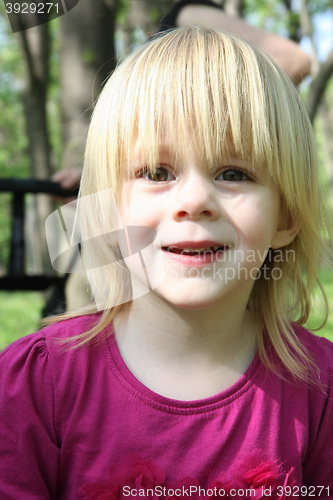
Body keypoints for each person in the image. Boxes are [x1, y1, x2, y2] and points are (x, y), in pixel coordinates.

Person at [1, 26, 332, 499]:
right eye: (157, 173)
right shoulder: (34, 388)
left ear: (287, 215)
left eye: (233, 173)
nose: (195, 200)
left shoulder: (320, 393)